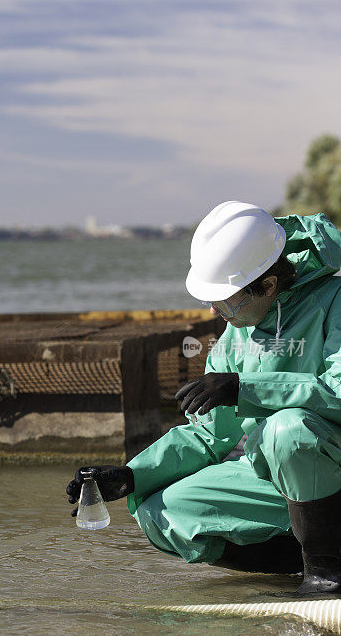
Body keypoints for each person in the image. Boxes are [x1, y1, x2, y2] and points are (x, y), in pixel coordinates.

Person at [66, 201, 341, 596]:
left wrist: (244, 388)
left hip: (328, 463)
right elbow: (208, 437)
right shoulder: (232, 341)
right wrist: (131, 474)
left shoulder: (336, 302)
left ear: (267, 284)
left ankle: (326, 575)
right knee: (162, 510)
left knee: (288, 430)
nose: (214, 310)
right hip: (287, 479)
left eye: (226, 298)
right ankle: (296, 569)